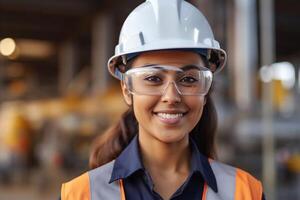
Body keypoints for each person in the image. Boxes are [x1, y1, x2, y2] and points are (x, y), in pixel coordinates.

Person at [61, 0, 265, 199]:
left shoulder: (244, 192)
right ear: (126, 89)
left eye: (188, 79)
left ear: (206, 90)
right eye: (153, 78)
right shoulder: (81, 195)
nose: (171, 96)